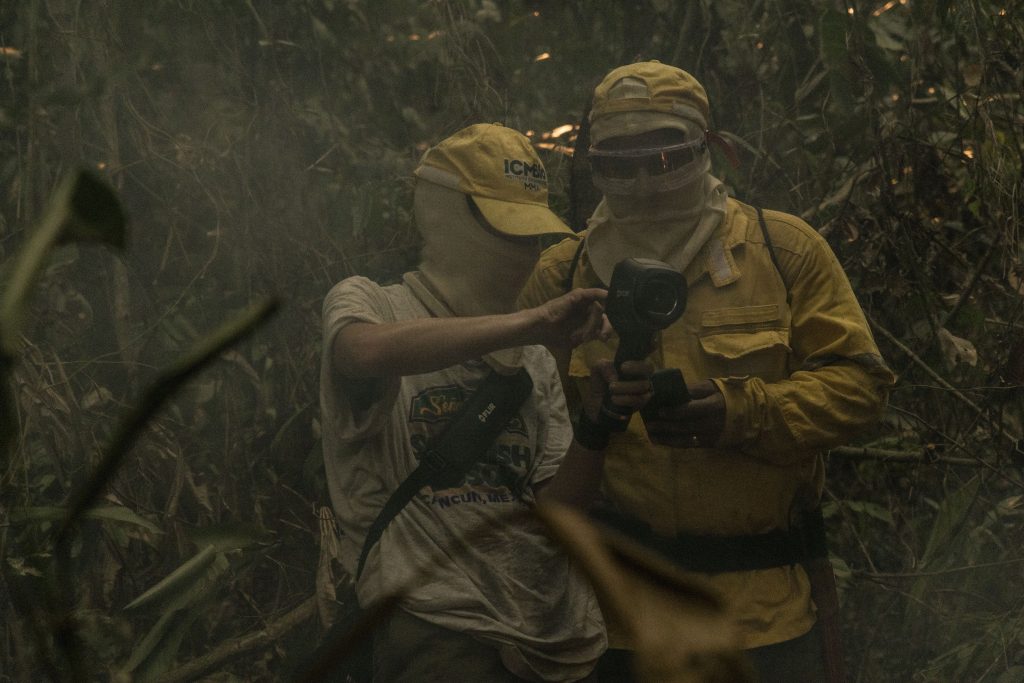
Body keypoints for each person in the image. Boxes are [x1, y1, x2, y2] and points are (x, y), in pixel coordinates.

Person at [518, 61, 896, 682]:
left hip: (760, 618)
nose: (642, 182)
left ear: (709, 150)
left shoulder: (783, 249)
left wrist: (740, 412)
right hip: (614, 623)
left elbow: (861, 387)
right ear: (591, 166)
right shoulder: (561, 276)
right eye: (619, 164)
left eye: (664, 159)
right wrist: (595, 420)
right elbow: (524, 443)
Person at [319, 122, 651, 682]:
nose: (526, 254)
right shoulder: (372, 303)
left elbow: (557, 513)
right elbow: (363, 353)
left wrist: (599, 422)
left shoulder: (533, 356)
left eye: (532, 235)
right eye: (510, 232)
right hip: (436, 624)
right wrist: (533, 322)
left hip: (548, 635)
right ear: (449, 219)